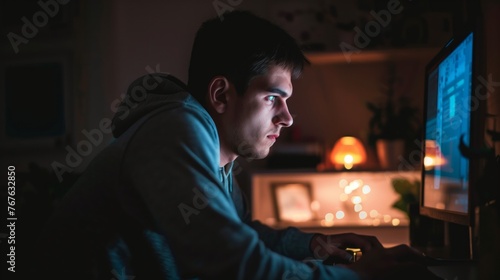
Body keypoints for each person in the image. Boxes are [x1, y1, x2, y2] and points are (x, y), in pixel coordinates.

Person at [34, 10, 441, 279]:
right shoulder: (176, 127)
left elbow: (242, 235)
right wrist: (358, 274)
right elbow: (232, 265)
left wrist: (318, 245)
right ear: (221, 95)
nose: (288, 118)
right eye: (273, 99)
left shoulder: (222, 162)